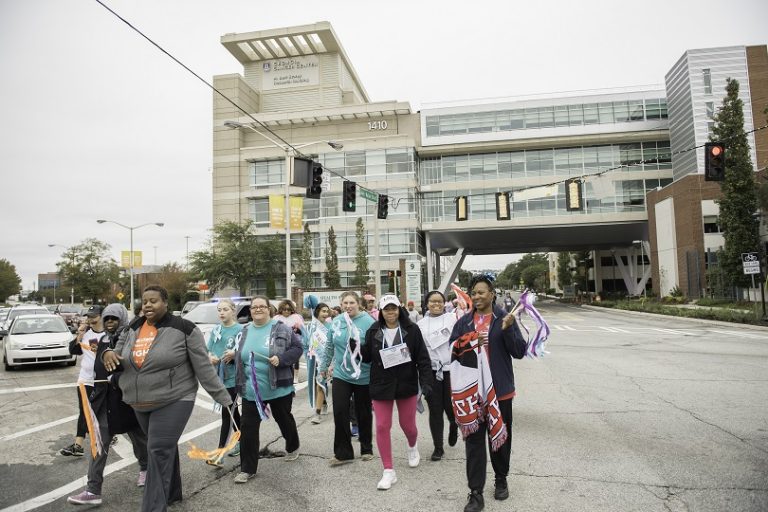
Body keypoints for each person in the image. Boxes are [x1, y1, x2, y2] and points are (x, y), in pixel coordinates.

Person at [102, 285, 233, 512]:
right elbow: (119, 355)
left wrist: (225, 399)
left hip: (175, 398)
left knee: (158, 449)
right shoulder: (133, 327)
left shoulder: (184, 328)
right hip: (140, 401)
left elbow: (203, 367)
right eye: (145, 301)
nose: (148, 305)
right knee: (164, 447)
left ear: (165, 303)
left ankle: (153, 507)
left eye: (154, 301)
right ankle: (172, 492)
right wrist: (108, 353)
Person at [449, 275, 527, 512]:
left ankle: (501, 478)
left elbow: (520, 352)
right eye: (474, 293)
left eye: (482, 292)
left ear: (492, 294)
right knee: (473, 443)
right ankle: (475, 493)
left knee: (500, 439)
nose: (477, 296)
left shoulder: (504, 318)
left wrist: (508, 330)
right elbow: (452, 349)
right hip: (472, 394)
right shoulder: (463, 322)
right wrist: (470, 340)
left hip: (500, 392)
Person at [67, 304, 149, 506]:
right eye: (107, 319)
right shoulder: (103, 340)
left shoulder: (131, 338)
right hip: (104, 400)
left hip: (127, 399)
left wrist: (118, 378)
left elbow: (136, 366)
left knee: (139, 438)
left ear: (122, 318)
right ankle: (93, 490)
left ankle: (146, 469)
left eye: (114, 318)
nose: (110, 322)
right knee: (99, 444)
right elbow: (97, 368)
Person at [356, 294, 433, 490]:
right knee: (382, 426)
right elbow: (367, 358)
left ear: (399, 309)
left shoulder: (411, 330)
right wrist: (355, 347)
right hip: (381, 384)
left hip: (405, 383)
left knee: (408, 425)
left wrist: (425, 381)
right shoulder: (374, 330)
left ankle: (412, 446)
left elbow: (422, 358)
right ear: (381, 312)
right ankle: (388, 471)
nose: (391, 312)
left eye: (394, 308)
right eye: (387, 309)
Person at [233, 296, 303, 483]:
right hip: (252, 390)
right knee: (248, 427)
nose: (258, 309)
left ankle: (293, 445)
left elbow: (298, 348)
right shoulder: (245, 331)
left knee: (284, 419)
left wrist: (282, 359)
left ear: (269, 309)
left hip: (278, 387)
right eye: (254, 307)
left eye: (261, 306)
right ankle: (247, 469)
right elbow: (241, 354)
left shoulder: (281, 328)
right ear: (250, 311)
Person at [319, 291, 376, 466]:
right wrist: (323, 367)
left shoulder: (369, 322)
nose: (348, 306)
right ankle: (343, 453)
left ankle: (366, 448)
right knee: (340, 411)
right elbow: (329, 345)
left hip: (363, 375)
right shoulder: (336, 322)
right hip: (341, 374)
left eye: (352, 302)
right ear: (341, 305)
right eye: (345, 303)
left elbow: (374, 349)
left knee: (363, 412)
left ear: (358, 304)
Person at [417, 290, 458, 462]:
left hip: (452, 370)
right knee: (435, 410)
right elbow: (418, 350)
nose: (436, 304)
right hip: (431, 372)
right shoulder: (420, 324)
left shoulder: (453, 319)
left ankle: (454, 424)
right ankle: (438, 447)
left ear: (444, 303)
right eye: (432, 301)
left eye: (439, 301)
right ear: (427, 303)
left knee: (450, 407)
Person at [61, 305, 105, 457]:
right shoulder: (86, 333)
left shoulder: (108, 334)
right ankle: (78, 445)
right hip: (85, 380)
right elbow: (73, 351)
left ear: (102, 316)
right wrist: (79, 334)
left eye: (94, 316)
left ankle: (109, 434)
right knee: (85, 412)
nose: (91, 319)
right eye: (89, 316)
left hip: (103, 381)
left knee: (103, 410)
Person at [205, 299, 242, 462]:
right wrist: (210, 357)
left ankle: (219, 453)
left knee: (227, 413)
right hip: (218, 376)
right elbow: (208, 350)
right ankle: (243, 440)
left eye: (225, 309)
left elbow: (245, 351)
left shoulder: (240, 329)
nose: (221, 313)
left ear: (233, 311)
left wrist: (234, 354)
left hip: (233, 377)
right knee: (232, 411)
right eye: (219, 310)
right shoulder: (216, 330)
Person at [302, 296, 332, 424]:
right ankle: (323, 403)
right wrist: (308, 356)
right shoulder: (311, 327)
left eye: (327, 311)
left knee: (320, 384)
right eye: (323, 311)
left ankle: (317, 413)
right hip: (313, 361)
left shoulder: (331, 327)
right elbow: (305, 344)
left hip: (326, 362)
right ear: (317, 312)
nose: (325, 314)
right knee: (316, 384)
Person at [275, 299, 305, 384]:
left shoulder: (296, 318)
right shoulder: (276, 318)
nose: (286, 311)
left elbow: (302, 331)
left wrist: (297, 330)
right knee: (284, 360)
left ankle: (295, 376)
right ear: (281, 309)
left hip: (294, 342)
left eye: (288, 309)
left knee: (296, 360)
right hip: (280, 344)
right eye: (284, 309)